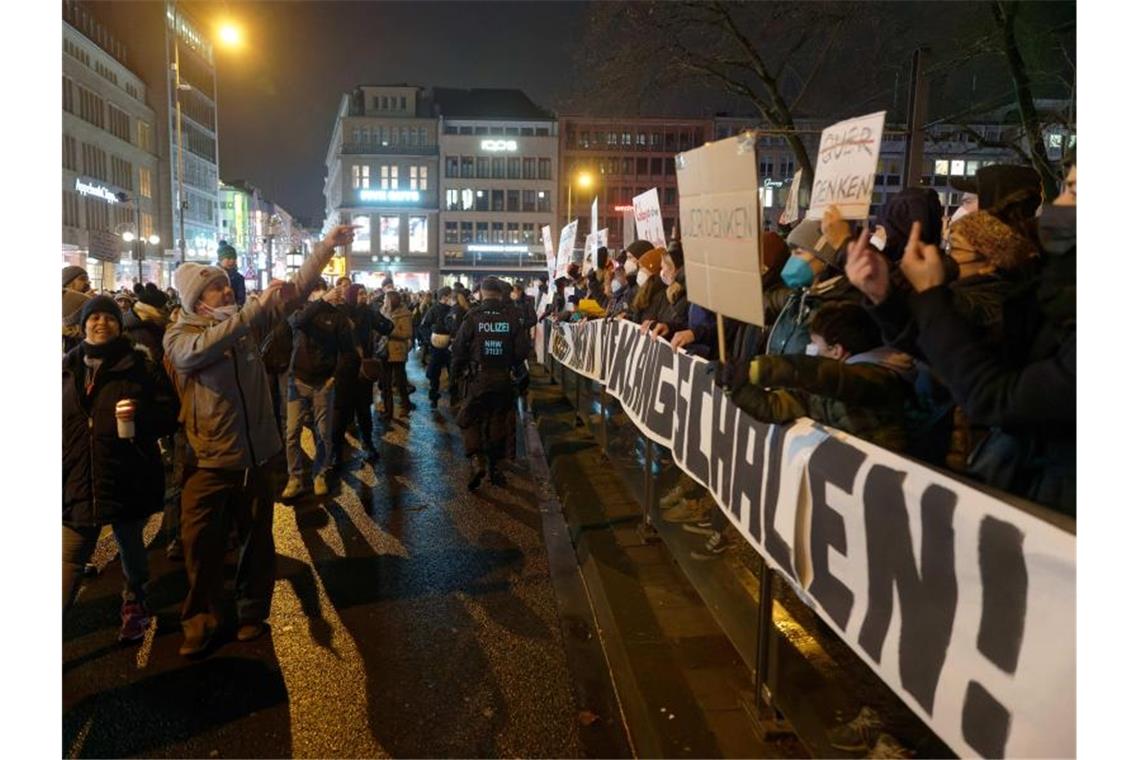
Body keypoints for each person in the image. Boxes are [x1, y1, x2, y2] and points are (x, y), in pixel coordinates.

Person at [164, 224, 353, 656]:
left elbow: (299, 289)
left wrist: (326, 247)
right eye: (217, 291)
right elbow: (195, 353)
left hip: (255, 457)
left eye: (228, 288)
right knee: (201, 546)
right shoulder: (181, 332)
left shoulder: (243, 325)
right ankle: (201, 619)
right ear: (196, 300)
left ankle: (252, 613)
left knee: (257, 541)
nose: (227, 294)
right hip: (209, 459)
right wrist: (251, 308)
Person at [63, 296, 180, 640]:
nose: (101, 323)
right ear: (83, 325)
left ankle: (136, 603)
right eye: (94, 317)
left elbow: (169, 413)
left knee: (130, 546)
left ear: (119, 323)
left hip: (127, 473)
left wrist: (139, 419)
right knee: (69, 558)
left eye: (109, 318)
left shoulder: (140, 366)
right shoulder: (66, 368)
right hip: (79, 477)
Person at [727, 302, 917, 453]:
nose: (811, 350)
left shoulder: (878, 378)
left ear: (836, 351)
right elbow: (776, 407)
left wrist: (762, 369)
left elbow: (829, 376)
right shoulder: (820, 384)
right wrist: (737, 387)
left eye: (815, 344)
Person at [452, 277, 530, 490]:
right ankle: (495, 468)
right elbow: (523, 350)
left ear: (482, 294)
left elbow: (458, 350)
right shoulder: (511, 317)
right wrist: (510, 363)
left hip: (478, 379)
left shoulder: (472, 317)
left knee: (469, 419)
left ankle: (477, 459)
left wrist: (455, 376)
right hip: (503, 379)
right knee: (498, 422)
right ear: (500, 294)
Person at [282, 279, 355, 498]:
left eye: (322, 290)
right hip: (298, 380)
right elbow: (296, 323)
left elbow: (348, 352)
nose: (320, 294)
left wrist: (334, 377)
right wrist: (320, 302)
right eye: (316, 291)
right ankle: (294, 477)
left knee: (324, 432)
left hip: (323, 383)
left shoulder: (339, 317)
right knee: (291, 432)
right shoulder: (304, 311)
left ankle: (320, 474)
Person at [765, 208, 859, 356]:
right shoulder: (799, 296)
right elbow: (764, 304)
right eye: (791, 253)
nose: (792, 260)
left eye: (799, 253)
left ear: (824, 259)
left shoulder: (839, 307)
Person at [333, 283, 392, 460]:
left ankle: (367, 442)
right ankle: (337, 450)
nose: (364, 297)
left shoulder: (368, 312)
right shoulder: (341, 312)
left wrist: (380, 313)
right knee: (341, 412)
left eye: (365, 293)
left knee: (364, 410)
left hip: (363, 370)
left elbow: (387, 327)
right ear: (351, 295)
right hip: (344, 370)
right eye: (360, 294)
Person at [641, 242, 689, 340]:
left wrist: (667, 328)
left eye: (663, 267)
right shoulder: (671, 294)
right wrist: (654, 325)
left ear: (673, 269)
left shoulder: (684, 296)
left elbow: (682, 326)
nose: (661, 272)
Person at [381, 290, 415, 420]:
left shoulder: (404, 314)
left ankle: (405, 406)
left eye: (385, 298)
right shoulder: (383, 311)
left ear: (391, 300)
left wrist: (389, 330)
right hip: (384, 351)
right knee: (385, 383)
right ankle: (388, 411)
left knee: (400, 382)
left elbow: (407, 333)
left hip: (398, 352)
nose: (384, 301)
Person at [423, 286, 456, 409]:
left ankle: (454, 396)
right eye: (450, 295)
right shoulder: (434, 309)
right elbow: (424, 326)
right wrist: (430, 340)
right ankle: (434, 397)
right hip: (436, 345)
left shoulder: (454, 309)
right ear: (444, 297)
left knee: (452, 371)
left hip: (451, 345)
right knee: (434, 373)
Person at [627, 247, 667, 324]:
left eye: (642, 267)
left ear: (652, 270)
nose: (640, 271)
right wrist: (628, 318)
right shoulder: (643, 291)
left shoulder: (661, 295)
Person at [217, 242, 246, 306]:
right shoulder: (213, 276)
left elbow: (241, 299)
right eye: (229, 258)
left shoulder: (239, 278)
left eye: (234, 258)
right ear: (220, 259)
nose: (232, 261)